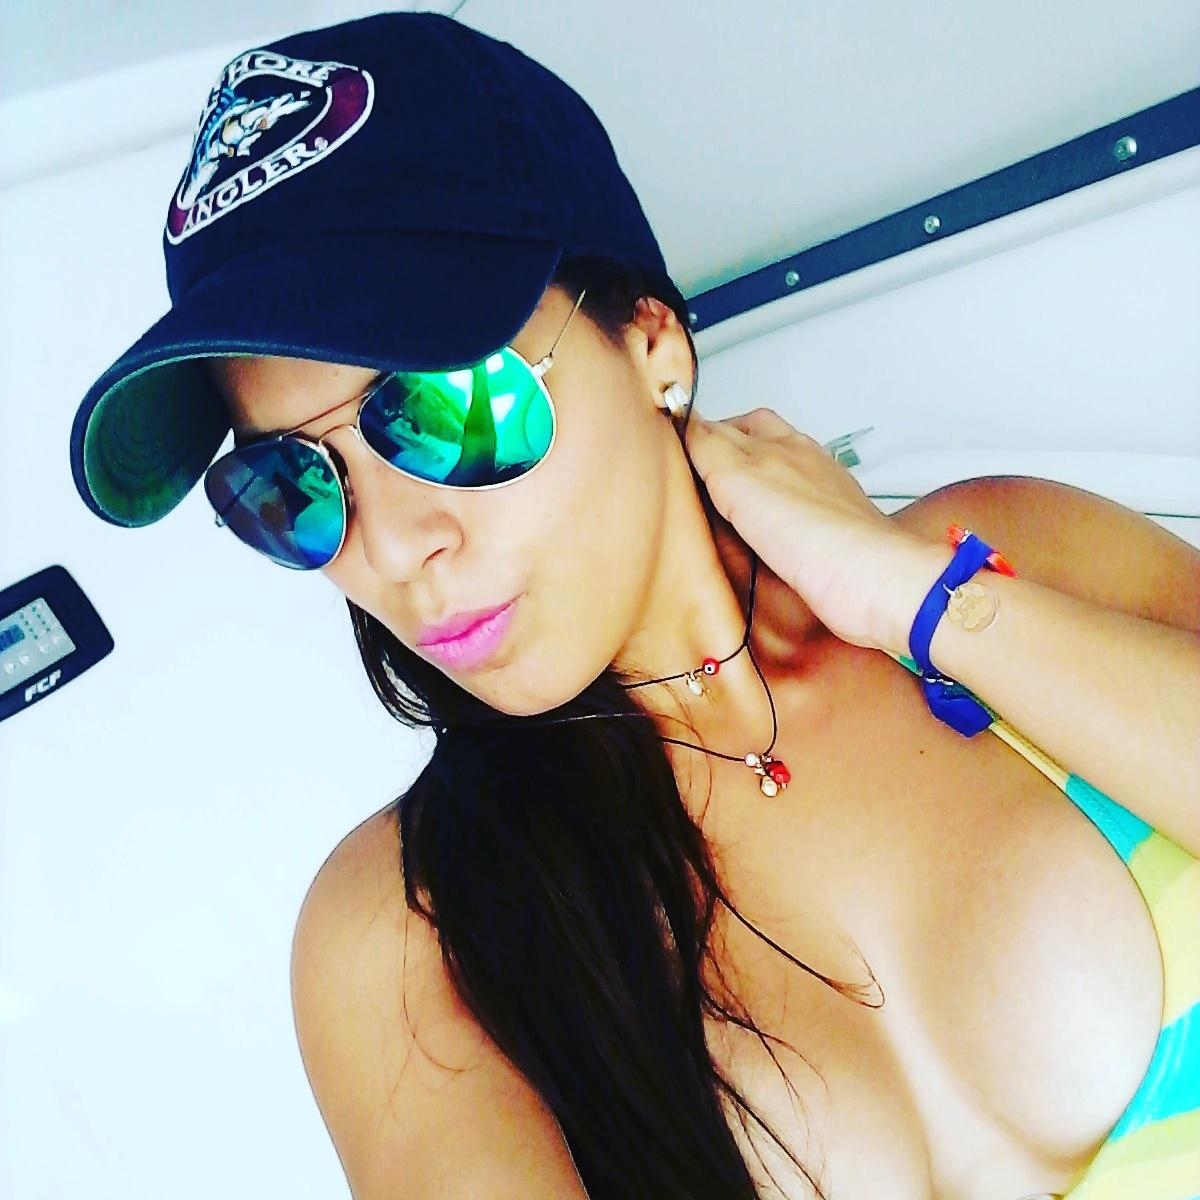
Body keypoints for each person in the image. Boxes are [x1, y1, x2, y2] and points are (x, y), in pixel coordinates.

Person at [68, 12, 1200, 1200]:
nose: (393, 546)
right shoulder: (405, 934)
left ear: (652, 343)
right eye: (286, 486)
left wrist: (920, 602)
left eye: (445, 410)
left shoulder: (999, 554)